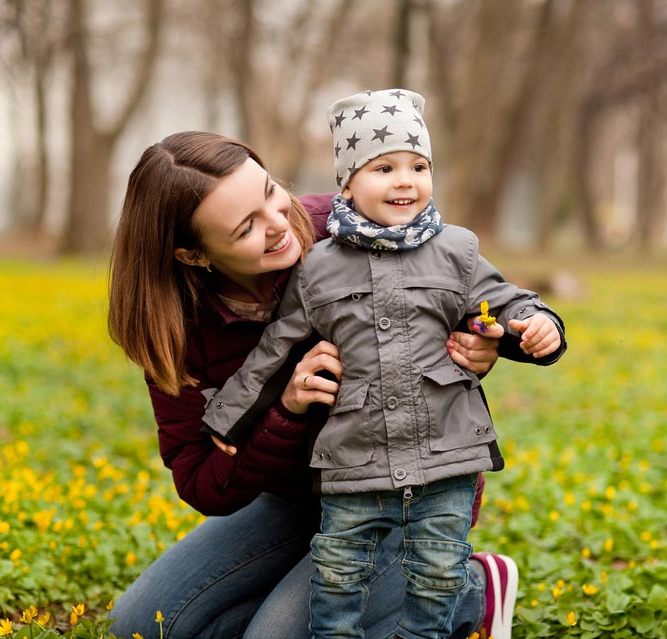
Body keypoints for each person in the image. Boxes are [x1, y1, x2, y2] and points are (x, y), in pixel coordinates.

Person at [106, 130, 526, 639]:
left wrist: (477, 346)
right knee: (141, 626)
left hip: (401, 490)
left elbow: (459, 293)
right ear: (194, 256)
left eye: (268, 193)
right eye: (245, 229)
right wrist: (284, 413)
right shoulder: (176, 326)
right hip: (296, 499)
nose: (280, 225)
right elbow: (200, 480)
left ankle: (474, 588)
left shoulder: (354, 222)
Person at [203, 89, 567, 639]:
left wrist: (537, 327)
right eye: (384, 167)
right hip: (355, 458)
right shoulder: (317, 268)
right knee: (338, 574)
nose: (405, 180)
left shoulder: (458, 250)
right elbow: (274, 350)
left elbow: (501, 305)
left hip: (446, 451)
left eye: (418, 166)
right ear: (346, 183)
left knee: (439, 571)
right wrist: (225, 418)